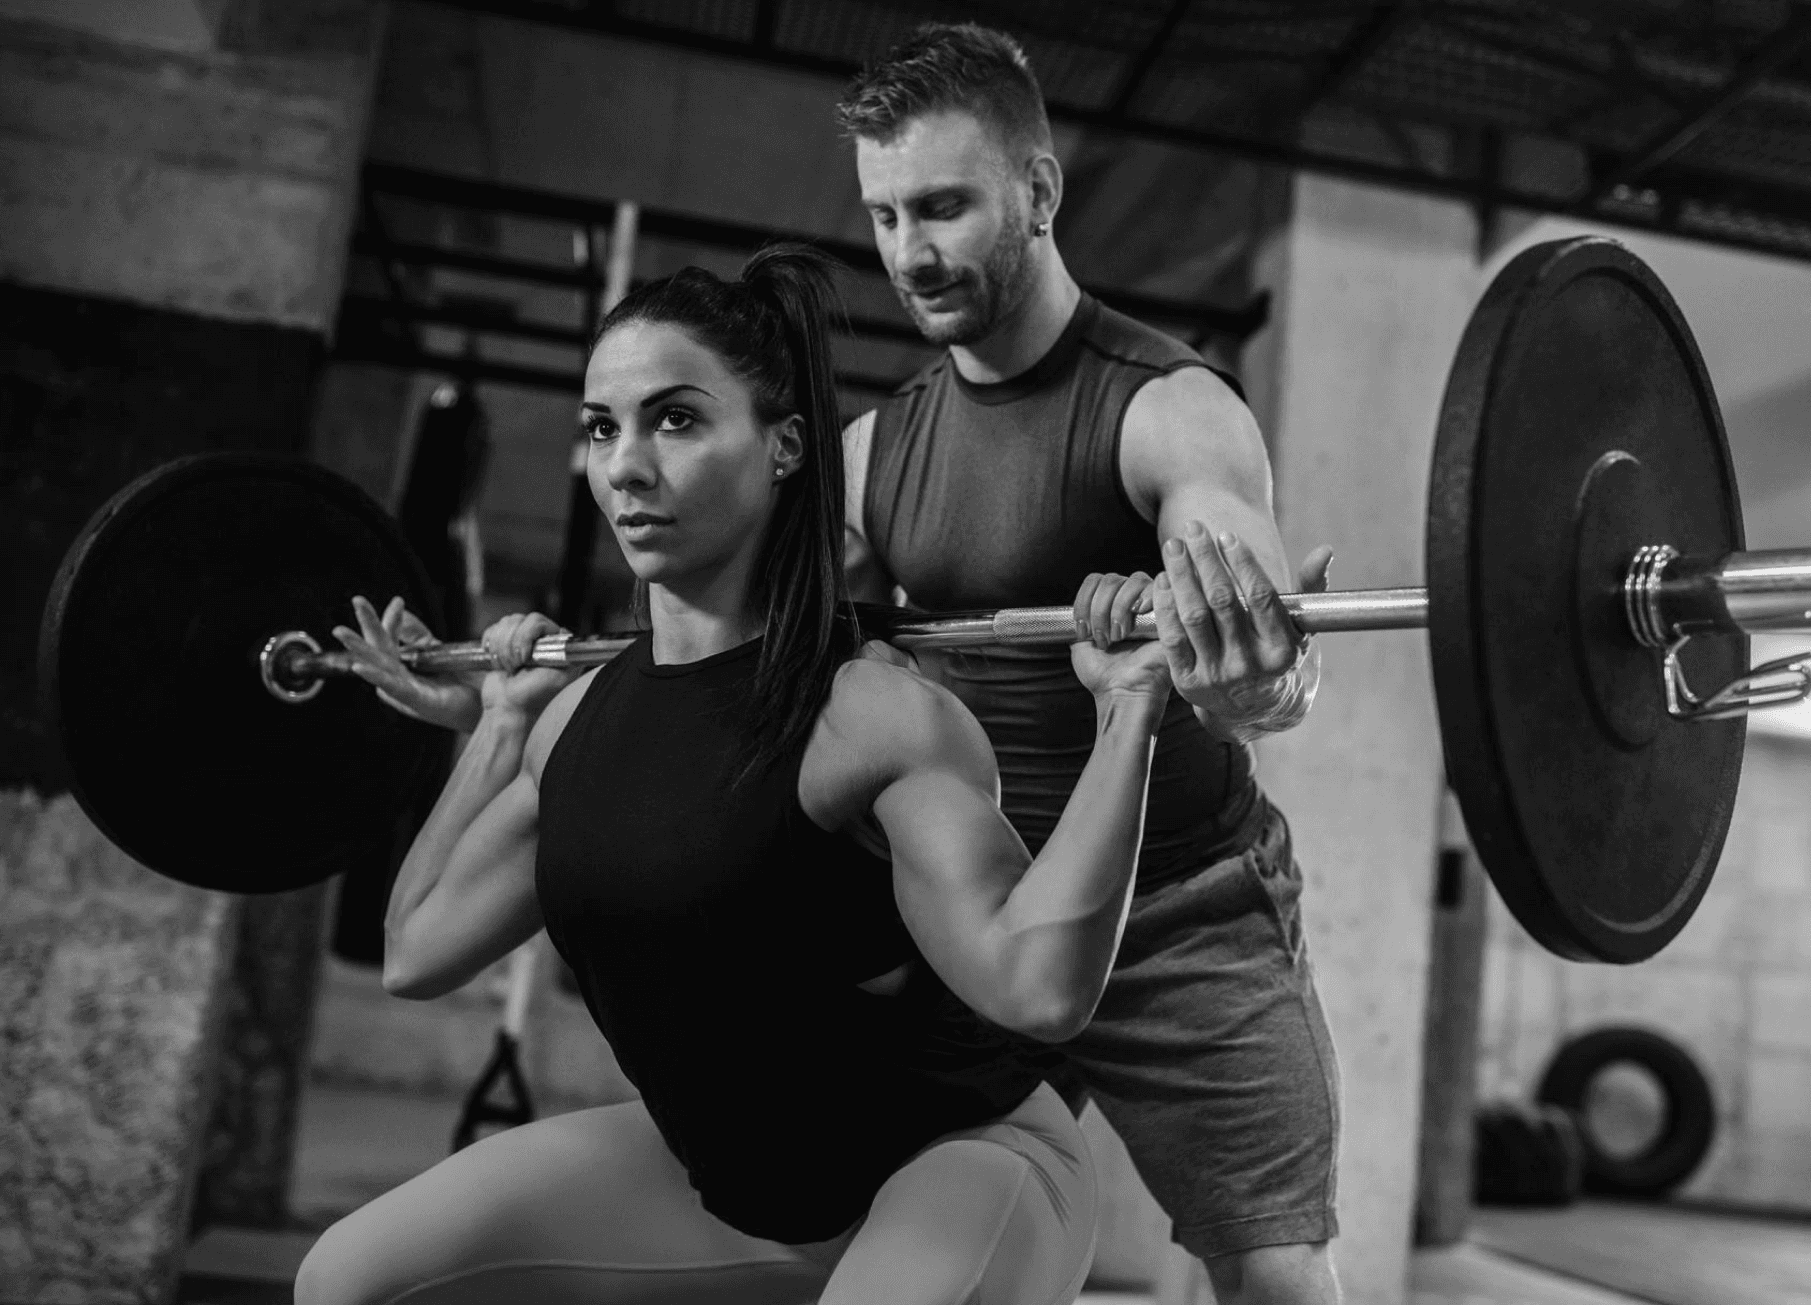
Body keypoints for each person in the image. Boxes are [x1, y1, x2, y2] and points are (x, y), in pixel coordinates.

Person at [294, 246, 1191, 1305]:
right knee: (344, 1280)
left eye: (675, 419)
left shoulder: (871, 715)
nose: (627, 465)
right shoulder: (571, 722)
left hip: (958, 1160)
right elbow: (415, 949)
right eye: (602, 427)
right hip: (727, 1187)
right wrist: (498, 726)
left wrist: (1129, 708)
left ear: (784, 446)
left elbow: (1039, 988)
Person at [837, 24, 1343, 1305]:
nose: (909, 253)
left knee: (1277, 1278)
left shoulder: (1168, 408)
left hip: (1186, 912)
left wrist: (1256, 678)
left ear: (1040, 192)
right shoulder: (873, 453)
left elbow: (1270, 677)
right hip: (989, 909)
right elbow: (748, 661)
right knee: (888, 1238)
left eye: (943, 207)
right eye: (886, 215)